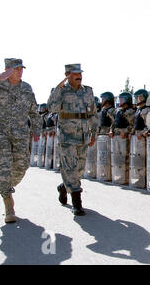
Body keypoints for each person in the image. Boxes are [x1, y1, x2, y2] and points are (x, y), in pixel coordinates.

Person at [0, 58, 41, 223]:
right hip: (0, 132)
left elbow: (34, 112)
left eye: (21, 69)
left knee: (22, 165)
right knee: (4, 166)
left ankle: (5, 185)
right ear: (7, 69)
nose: (20, 71)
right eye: (16, 69)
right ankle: (8, 205)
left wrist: (36, 130)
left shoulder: (26, 88)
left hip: (20, 133)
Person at [47, 64, 97, 216]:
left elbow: (93, 113)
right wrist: (58, 87)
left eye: (80, 73)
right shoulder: (61, 91)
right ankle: (77, 203)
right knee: (69, 168)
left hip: (83, 135)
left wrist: (94, 132)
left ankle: (64, 187)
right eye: (75, 74)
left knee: (79, 169)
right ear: (67, 75)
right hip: (67, 136)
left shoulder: (88, 91)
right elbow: (51, 108)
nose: (79, 76)